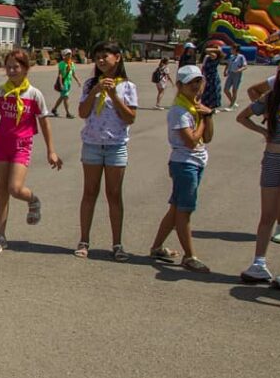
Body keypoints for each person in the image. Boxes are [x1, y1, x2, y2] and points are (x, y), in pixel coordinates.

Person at [0, 48, 63, 253]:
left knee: (15, 188)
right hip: (2, 145)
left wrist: (51, 151)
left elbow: (45, 123)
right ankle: (0, 236)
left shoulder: (34, 94)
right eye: (8, 67)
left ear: (25, 69)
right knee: (1, 190)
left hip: (21, 146)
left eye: (16, 67)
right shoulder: (0, 91)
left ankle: (33, 199)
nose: (12, 71)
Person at [236, 56, 280, 290]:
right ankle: (259, 264)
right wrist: (262, 132)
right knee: (267, 215)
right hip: (273, 159)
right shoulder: (271, 99)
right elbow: (242, 116)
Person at [74, 41, 138, 261]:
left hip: (116, 146)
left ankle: (117, 244)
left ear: (117, 58)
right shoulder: (91, 83)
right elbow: (82, 112)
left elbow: (130, 117)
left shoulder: (127, 86)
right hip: (92, 144)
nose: (101, 60)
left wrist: (113, 95)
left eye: (106, 56)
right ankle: (84, 240)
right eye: (98, 56)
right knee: (89, 193)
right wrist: (94, 92)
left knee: (114, 195)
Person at [148, 65, 214, 272]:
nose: (195, 86)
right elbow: (191, 141)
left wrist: (208, 115)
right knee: (184, 211)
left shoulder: (196, 106)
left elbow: (208, 138)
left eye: (198, 81)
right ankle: (189, 255)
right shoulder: (180, 110)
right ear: (179, 86)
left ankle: (157, 246)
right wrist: (204, 118)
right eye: (190, 82)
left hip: (196, 161)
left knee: (176, 208)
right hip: (185, 163)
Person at [49, 48, 76, 118]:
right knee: (66, 97)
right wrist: (61, 84)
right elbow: (60, 75)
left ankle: (54, 109)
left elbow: (73, 74)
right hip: (64, 83)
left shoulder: (71, 64)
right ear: (64, 55)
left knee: (62, 97)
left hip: (68, 83)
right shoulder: (61, 64)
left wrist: (78, 81)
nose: (69, 56)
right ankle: (68, 113)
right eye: (68, 54)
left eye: (70, 54)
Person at [200, 46, 223, 111]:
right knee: (206, 91)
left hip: (212, 77)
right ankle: (207, 106)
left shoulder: (215, 56)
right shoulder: (208, 57)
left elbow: (206, 49)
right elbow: (203, 66)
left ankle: (212, 107)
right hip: (207, 75)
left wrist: (216, 49)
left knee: (212, 91)